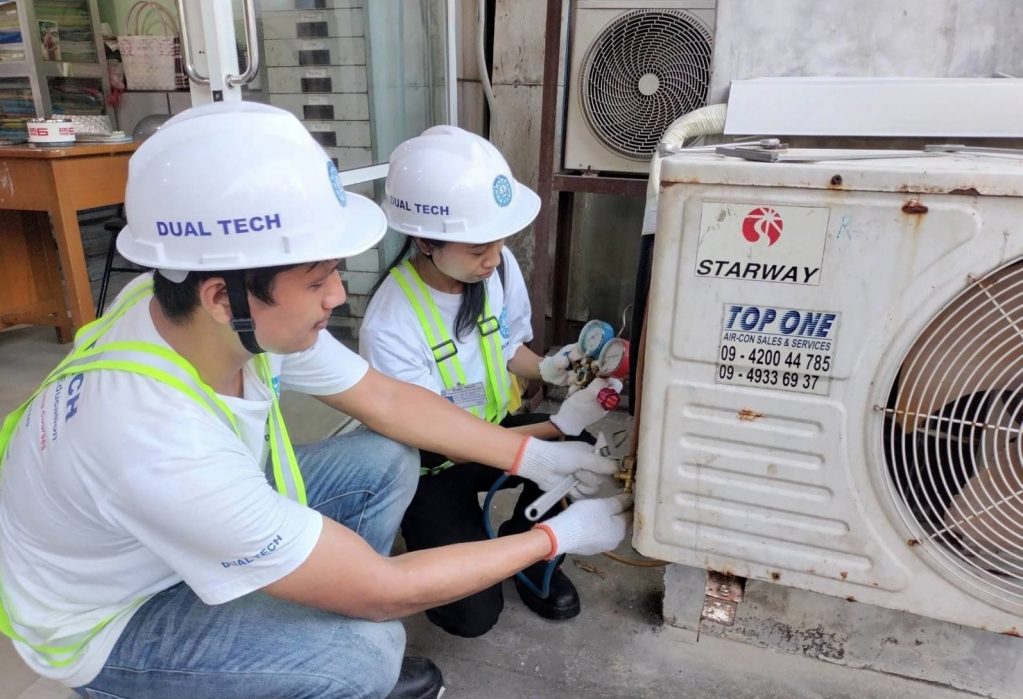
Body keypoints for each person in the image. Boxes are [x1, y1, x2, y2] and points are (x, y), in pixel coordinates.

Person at [0, 102, 631, 699]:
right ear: (223, 297)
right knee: (367, 651)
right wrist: (556, 536)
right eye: (317, 279)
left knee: (385, 459)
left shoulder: (181, 308)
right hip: (118, 615)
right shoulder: (159, 444)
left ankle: (309, 608)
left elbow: (386, 400)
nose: (337, 296)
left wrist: (534, 457)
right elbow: (385, 589)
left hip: (158, 537)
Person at [359, 126, 619, 638]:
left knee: (583, 449)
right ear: (424, 240)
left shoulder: (494, 270)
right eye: (479, 245)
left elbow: (505, 347)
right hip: (434, 467)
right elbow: (444, 441)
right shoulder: (389, 326)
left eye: (500, 240)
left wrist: (549, 369)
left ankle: (532, 554)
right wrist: (556, 427)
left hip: (496, 432)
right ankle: (453, 544)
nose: (495, 256)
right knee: (473, 617)